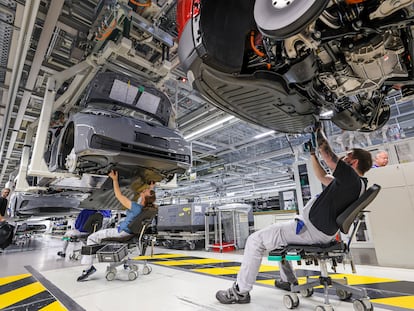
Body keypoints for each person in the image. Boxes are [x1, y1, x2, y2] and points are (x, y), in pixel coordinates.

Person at [215, 126, 373, 304]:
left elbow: (328, 154)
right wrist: (313, 154)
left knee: (255, 240)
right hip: (319, 231)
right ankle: (287, 280)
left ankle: (240, 292)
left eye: (349, 154)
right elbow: (322, 176)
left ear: (355, 162)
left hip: (311, 230)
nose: (345, 156)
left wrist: (317, 129)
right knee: (279, 239)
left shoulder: (351, 178)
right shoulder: (356, 185)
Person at [77, 170, 156, 282]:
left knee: (91, 238)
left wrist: (114, 180)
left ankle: (88, 268)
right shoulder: (147, 208)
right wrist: (151, 187)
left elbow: (119, 195)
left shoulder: (135, 207)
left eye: (146, 191)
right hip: (130, 233)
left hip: (121, 232)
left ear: (145, 198)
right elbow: (149, 197)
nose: (145, 189)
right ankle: (124, 262)